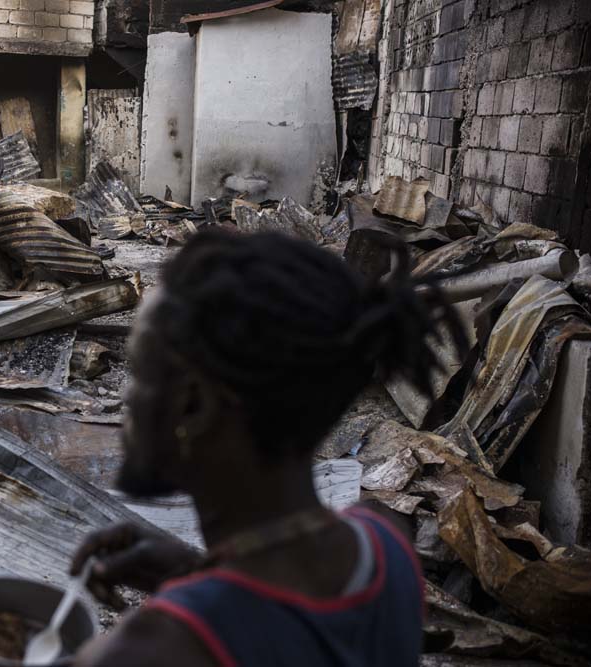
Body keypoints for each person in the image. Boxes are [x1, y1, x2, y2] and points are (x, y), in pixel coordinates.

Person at [71, 228, 464, 667]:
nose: (128, 400)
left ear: (196, 405)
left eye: (141, 374)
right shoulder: (384, 543)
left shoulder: (152, 648)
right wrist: (195, 572)